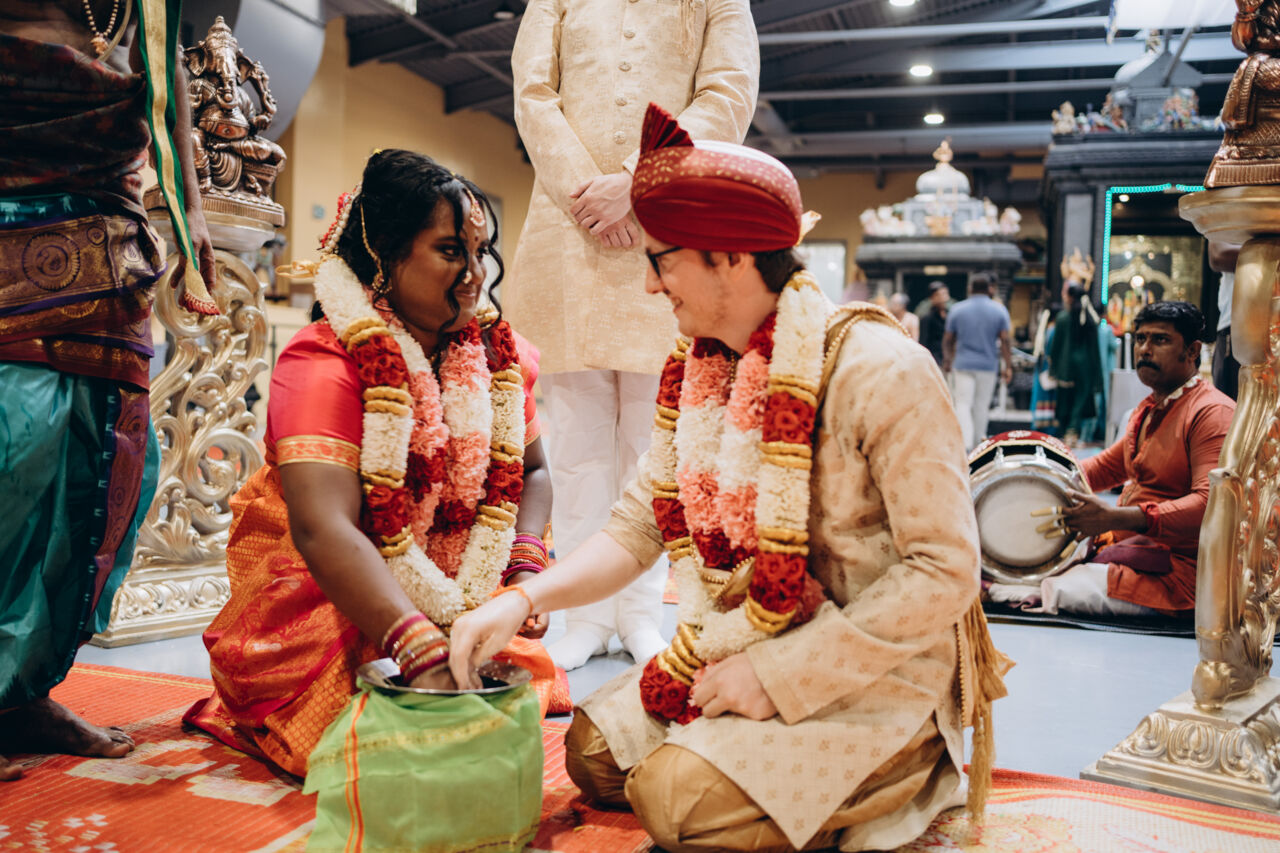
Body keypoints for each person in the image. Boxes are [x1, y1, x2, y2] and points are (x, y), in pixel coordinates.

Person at [448, 105, 1009, 853]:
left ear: (731, 257)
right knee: (592, 753)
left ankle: (911, 766)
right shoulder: (701, 367)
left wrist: (779, 674)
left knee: (672, 800)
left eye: (661, 260)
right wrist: (522, 599)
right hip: (740, 636)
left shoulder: (883, 370)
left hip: (875, 667)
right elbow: (638, 526)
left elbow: (944, 571)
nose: (651, 287)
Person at [183, 150, 561, 776]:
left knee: (493, 697)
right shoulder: (326, 360)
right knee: (362, 743)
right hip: (328, 588)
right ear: (385, 252)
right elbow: (321, 527)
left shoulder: (497, 356)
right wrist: (415, 644)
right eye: (450, 251)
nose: (474, 274)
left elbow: (535, 470)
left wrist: (524, 568)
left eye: (480, 252)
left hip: (457, 579)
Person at [502, 0, 760, 671]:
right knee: (577, 446)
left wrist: (638, 182)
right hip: (568, 229)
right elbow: (533, 91)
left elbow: (728, 95)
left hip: (667, 225)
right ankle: (584, 616)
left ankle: (641, 613)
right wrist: (586, 192)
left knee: (655, 445)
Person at [0, 0, 217, 782]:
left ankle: (21, 693)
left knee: (101, 472)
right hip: (10, 224)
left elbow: (167, 82)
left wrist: (191, 215)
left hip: (111, 245)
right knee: (13, 457)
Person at [1028, 302, 1235, 617]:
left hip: (1182, 573)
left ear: (1192, 351)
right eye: (1141, 339)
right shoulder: (1151, 407)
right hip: (1134, 548)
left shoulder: (1210, 413)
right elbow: (1103, 468)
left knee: (1051, 587)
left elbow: (1211, 505)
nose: (1145, 349)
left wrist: (1115, 518)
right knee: (1033, 563)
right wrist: (1034, 475)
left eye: (1160, 340)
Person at [943, 274, 1013, 450]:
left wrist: (948, 359)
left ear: (970, 288)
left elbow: (948, 339)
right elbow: (1005, 340)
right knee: (982, 406)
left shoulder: (957, 309)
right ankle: (978, 445)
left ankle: (965, 443)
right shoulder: (999, 310)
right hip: (988, 365)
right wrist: (1008, 366)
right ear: (989, 289)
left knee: (963, 404)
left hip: (963, 364)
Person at [1049, 284, 1105, 445]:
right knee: (1080, 399)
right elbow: (1094, 348)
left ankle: (1066, 431)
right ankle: (1073, 431)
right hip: (1085, 366)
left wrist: (1054, 367)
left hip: (1066, 365)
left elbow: (1056, 346)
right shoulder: (1090, 319)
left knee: (1066, 398)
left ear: (1070, 297)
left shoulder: (1062, 318)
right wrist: (1097, 372)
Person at [919, 280, 950, 366]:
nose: (943, 298)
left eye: (945, 294)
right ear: (932, 298)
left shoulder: (951, 315)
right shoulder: (927, 318)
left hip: (950, 361)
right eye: (939, 295)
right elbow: (923, 342)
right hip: (934, 361)